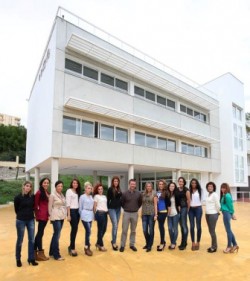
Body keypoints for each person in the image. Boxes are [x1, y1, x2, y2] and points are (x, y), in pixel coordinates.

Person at [14, 181, 38, 267]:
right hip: (21, 221)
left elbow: (34, 207)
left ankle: (31, 259)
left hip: (31, 220)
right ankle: (18, 259)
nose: (28, 187)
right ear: (23, 186)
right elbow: (16, 209)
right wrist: (21, 215)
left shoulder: (32, 197)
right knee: (20, 240)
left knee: (31, 240)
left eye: (30, 186)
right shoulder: (18, 197)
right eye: (27, 186)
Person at [119, 179, 142, 252]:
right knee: (124, 230)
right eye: (131, 184)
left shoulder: (138, 193)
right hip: (126, 213)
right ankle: (122, 245)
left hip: (135, 213)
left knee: (133, 230)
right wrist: (126, 208)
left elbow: (140, 203)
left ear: (135, 185)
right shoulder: (124, 193)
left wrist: (135, 208)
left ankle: (132, 244)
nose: (133, 185)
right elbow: (122, 203)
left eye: (134, 184)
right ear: (129, 184)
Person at [48, 180, 67, 261]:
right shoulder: (52, 195)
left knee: (56, 234)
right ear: (55, 187)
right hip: (55, 216)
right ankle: (57, 255)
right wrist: (50, 217)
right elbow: (49, 207)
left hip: (61, 216)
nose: (60, 187)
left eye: (61, 186)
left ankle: (51, 252)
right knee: (57, 235)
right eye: (59, 186)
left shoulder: (62, 195)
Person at [34, 177, 50, 261]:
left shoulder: (46, 192)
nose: (46, 184)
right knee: (40, 234)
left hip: (46, 216)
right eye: (44, 182)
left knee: (40, 233)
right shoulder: (39, 192)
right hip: (41, 216)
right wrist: (37, 216)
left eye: (47, 183)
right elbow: (35, 205)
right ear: (41, 183)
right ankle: (40, 252)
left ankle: (34, 253)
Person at [220, 183, 239, 253]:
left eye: (224, 188)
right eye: (222, 188)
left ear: (227, 188)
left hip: (227, 213)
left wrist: (232, 213)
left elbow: (231, 206)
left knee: (228, 231)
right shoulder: (224, 195)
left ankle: (229, 246)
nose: (223, 189)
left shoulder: (227, 195)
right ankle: (235, 245)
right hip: (225, 213)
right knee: (229, 230)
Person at [66, 178, 81, 257]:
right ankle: (72, 248)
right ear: (72, 183)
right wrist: (68, 215)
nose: (75, 184)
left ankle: (71, 246)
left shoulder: (77, 192)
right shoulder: (69, 191)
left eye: (76, 183)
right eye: (74, 183)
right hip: (71, 211)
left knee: (75, 229)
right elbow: (68, 204)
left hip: (77, 211)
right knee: (74, 228)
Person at [79, 181, 94, 256]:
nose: (89, 190)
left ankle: (87, 246)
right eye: (88, 188)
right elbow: (80, 208)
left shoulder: (91, 197)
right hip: (84, 215)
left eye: (90, 188)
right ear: (85, 189)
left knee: (88, 232)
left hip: (90, 215)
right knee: (88, 231)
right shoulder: (82, 197)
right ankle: (86, 246)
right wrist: (81, 215)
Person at [141, 182, 157, 252]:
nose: (148, 187)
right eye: (147, 186)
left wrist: (156, 215)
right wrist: (141, 213)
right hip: (144, 214)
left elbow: (155, 205)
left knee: (151, 230)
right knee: (144, 230)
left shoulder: (154, 194)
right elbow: (143, 204)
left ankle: (149, 245)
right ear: (146, 187)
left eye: (150, 186)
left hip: (151, 214)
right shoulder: (143, 194)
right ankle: (148, 243)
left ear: (152, 187)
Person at [107, 176, 122, 251]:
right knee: (115, 225)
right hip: (111, 209)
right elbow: (108, 199)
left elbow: (120, 199)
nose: (116, 182)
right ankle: (114, 243)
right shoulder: (110, 189)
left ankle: (113, 240)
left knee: (116, 225)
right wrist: (107, 209)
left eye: (117, 181)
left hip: (118, 209)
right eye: (114, 181)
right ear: (112, 182)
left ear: (118, 182)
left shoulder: (119, 189)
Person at [205, 181, 220, 253]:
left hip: (213, 214)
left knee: (212, 231)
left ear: (213, 187)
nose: (210, 187)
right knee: (210, 231)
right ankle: (213, 245)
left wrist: (217, 212)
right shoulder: (208, 195)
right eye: (208, 186)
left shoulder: (215, 195)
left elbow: (218, 205)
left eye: (211, 186)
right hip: (207, 214)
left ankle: (214, 247)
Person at [188, 178, 203, 251]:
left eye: (195, 183)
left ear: (197, 184)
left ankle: (198, 242)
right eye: (192, 183)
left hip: (198, 209)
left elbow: (202, 200)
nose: (193, 184)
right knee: (192, 226)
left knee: (198, 226)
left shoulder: (200, 191)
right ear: (191, 184)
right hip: (191, 209)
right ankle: (193, 242)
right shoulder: (189, 191)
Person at [176, 177, 190, 250]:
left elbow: (188, 200)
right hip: (178, 209)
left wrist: (187, 210)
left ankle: (184, 243)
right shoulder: (177, 189)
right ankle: (183, 241)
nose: (180, 182)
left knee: (184, 225)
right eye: (179, 181)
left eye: (182, 181)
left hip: (184, 208)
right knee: (181, 225)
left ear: (184, 182)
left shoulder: (186, 190)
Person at [93, 183, 108, 251]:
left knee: (104, 229)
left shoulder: (104, 196)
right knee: (100, 230)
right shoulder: (96, 196)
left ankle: (98, 243)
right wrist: (94, 215)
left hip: (105, 214)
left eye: (101, 189)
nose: (100, 190)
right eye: (99, 189)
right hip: (99, 214)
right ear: (97, 190)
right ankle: (101, 245)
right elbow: (94, 206)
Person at [156, 179, 170, 251]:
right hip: (158, 212)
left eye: (162, 184)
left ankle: (162, 243)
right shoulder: (157, 192)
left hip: (163, 212)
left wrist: (168, 212)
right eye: (159, 184)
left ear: (164, 185)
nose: (161, 185)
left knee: (161, 227)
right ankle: (163, 241)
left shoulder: (166, 192)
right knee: (160, 227)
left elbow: (169, 203)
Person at [167, 181, 180, 250]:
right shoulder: (167, 194)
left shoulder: (176, 194)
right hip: (169, 214)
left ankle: (173, 243)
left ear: (174, 187)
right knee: (169, 228)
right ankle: (173, 241)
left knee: (175, 229)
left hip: (175, 213)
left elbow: (179, 204)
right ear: (168, 187)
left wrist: (179, 212)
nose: (171, 187)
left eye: (173, 186)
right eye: (170, 186)